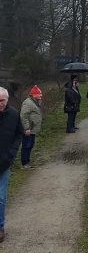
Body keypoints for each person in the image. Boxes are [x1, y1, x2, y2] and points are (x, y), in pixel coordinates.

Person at [0, 86, 24, 243]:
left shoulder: (14, 115)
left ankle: (0, 227)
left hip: (4, 163)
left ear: (7, 100)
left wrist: (11, 154)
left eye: (2, 100)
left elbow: (19, 134)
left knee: (0, 197)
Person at [20, 85, 43, 169]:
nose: (41, 95)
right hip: (28, 129)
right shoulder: (28, 103)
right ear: (34, 95)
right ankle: (24, 163)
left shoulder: (35, 102)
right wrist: (26, 128)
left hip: (32, 129)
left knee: (31, 145)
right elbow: (23, 115)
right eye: (39, 94)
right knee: (26, 145)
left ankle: (28, 161)